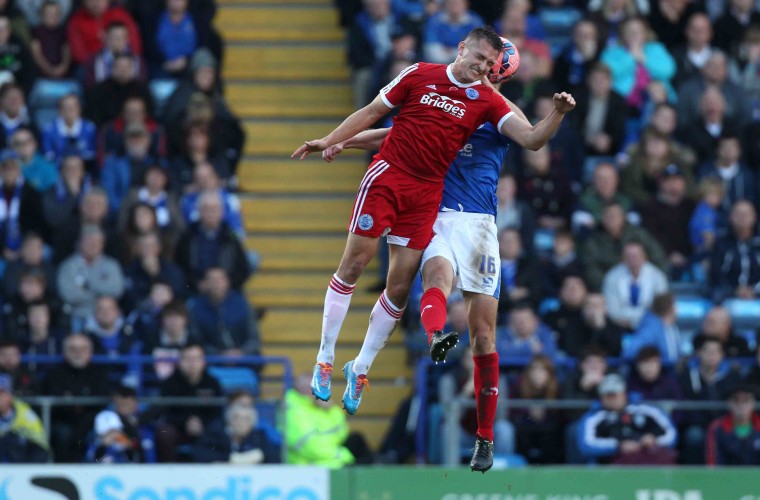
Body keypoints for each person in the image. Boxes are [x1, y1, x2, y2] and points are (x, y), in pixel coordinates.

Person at [312, 35, 573, 469]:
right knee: (433, 280)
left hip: (481, 225)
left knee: (485, 335)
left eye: (494, 70)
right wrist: (344, 141)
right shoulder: (442, 90)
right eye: (486, 66)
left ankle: (484, 438)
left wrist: (558, 113)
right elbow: (396, 132)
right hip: (435, 210)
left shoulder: (496, 109)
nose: (488, 74)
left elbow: (532, 139)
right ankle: (432, 337)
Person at [577, 373, 678, 464]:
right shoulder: (595, 417)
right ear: (601, 398)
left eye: (615, 395)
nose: (612, 400)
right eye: (608, 396)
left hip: (648, 460)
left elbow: (671, 433)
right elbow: (586, 445)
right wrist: (618, 446)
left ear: (624, 394)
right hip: (613, 464)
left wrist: (653, 440)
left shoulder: (645, 410)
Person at [42, 333, 111, 462]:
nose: (78, 353)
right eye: (73, 349)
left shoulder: (99, 373)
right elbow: (55, 398)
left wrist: (73, 399)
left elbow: (102, 399)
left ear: (90, 352)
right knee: (63, 434)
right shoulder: (55, 372)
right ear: (65, 352)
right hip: (63, 421)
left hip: (91, 421)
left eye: (82, 349)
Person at [156, 342, 223, 462]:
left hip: (206, 428)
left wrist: (201, 422)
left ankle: (212, 472)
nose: (192, 363)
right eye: (187, 359)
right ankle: (168, 471)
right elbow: (166, 412)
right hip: (178, 428)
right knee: (164, 432)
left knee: (219, 433)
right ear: (180, 362)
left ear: (203, 361)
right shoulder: (169, 383)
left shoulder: (212, 383)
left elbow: (217, 412)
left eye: (196, 359)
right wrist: (186, 422)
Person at [192, 395, 280, 464]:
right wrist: (230, 459)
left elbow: (275, 459)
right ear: (229, 417)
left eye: (246, 419)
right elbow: (199, 454)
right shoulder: (215, 434)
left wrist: (259, 455)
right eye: (237, 417)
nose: (241, 422)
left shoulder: (259, 437)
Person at [602, 240, 669, 330]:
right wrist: (623, 321)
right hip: (619, 324)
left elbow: (661, 305)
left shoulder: (658, 277)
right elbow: (611, 307)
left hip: (650, 324)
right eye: (629, 256)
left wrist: (643, 321)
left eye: (636, 255)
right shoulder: (612, 277)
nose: (632, 259)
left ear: (644, 256)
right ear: (623, 258)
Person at [710, 200, 760, 302]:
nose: (742, 217)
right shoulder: (721, 243)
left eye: (746, 214)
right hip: (727, 293)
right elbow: (716, 274)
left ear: (754, 217)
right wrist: (736, 290)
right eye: (738, 214)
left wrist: (754, 290)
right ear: (730, 217)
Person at [622, 293, 682, 366]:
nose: (678, 308)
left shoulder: (672, 328)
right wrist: (655, 363)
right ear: (669, 308)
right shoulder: (651, 328)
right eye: (675, 305)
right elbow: (630, 353)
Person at [0, 374, 49, 462]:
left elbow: (39, 441)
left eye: (2, 394)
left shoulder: (25, 413)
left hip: (22, 455)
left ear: (10, 396)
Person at [706, 385, 760, 465]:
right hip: (725, 476)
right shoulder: (717, 428)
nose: (741, 406)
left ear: (753, 403)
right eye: (736, 400)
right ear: (729, 403)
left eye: (746, 400)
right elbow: (712, 463)